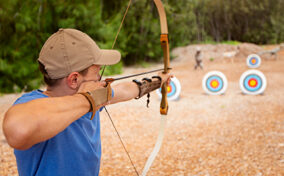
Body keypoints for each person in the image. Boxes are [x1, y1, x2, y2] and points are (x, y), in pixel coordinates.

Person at [2, 28, 172, 176]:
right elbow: (18, 129)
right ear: (74, 79)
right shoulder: (34, 103)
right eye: (97, 72)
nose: (100, 78)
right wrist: (86, 99)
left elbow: (125, 90)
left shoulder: (92, 98)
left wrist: (158, 81)